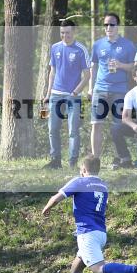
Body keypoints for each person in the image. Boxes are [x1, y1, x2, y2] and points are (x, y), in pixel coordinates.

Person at [41, 154, 137, 273]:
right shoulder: (102, 185)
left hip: (87, 234)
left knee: (99, 270)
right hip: (100, 233)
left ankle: (136, 269)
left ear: (83, 169)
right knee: (76, 269)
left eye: (81, 170)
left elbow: (56, 197)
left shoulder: (80, 182)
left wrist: (46, 208)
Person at [89, 13, 136, 158]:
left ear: (118, 26)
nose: (108, 27)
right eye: (106, 25)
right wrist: (91, 88)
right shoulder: (98, 44)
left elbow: (134, 67)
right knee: (96, 124)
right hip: (100, 89)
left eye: (112, 24)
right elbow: (94, 67)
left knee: (118, 126)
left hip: (120, 90)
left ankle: (119, 158)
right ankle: (95, 158)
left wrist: (120, 65)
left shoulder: (128, 45)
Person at [45, 20, 90, 169]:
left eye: (68, 33)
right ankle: (55, 160)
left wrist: (75, 92)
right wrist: (48, 93)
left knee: (73, 130)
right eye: (62, 33)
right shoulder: (55, 47)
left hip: (73, 96)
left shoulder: (80, 50)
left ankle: (72, 162)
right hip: (55, 94)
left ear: (74, 31)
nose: (65, 36)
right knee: (52, 129)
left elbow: (87, 75)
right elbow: (52, 72)